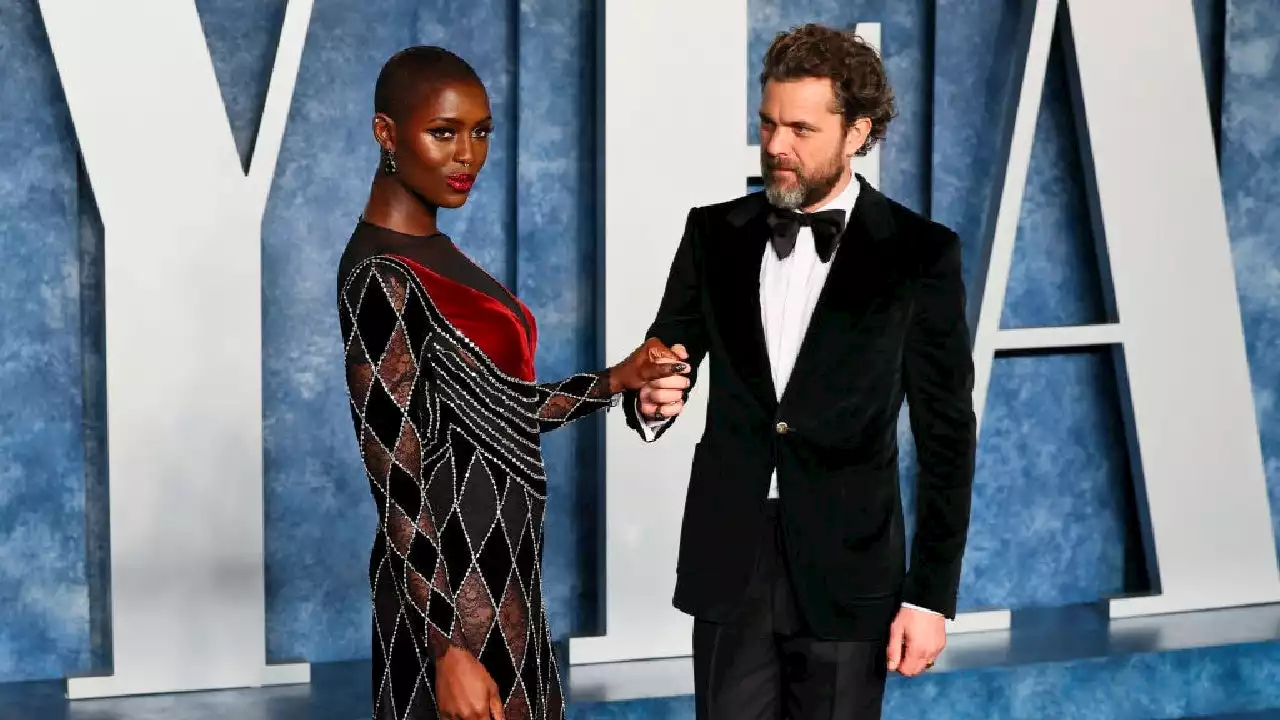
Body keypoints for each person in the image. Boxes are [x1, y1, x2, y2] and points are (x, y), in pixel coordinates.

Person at [625, 24, 977, 720]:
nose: (777, 145)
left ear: (857, 133)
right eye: (767, 124)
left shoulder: (921, 254)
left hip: (851, 571)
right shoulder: (712, 234)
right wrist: (652, 396)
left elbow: (947, 439)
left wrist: (930, 596)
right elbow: (663, 357)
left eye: (801, 129)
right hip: (730, 560)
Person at [337, 46, 686, 720]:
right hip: (448, 587)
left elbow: (494, 410)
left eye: (481, 131)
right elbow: (396, 476)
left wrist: (618, 379)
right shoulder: (382, 275)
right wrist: (447, 648)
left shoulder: (434, 253)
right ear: (387, 133)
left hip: (503, 571)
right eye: (444, 132)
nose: (467, 154)